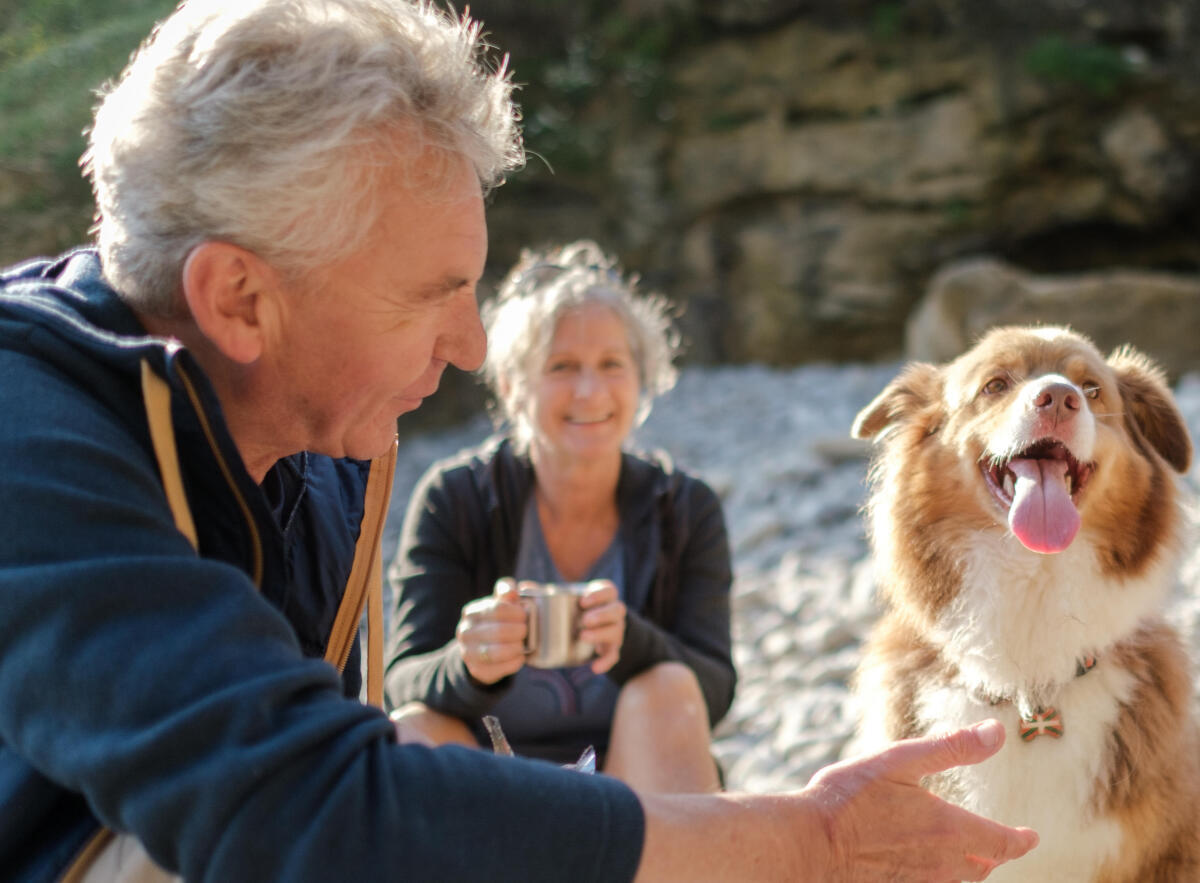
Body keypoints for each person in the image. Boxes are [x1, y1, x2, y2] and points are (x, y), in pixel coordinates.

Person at [0, 1, 1036, 880]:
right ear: (238, 298)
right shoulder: (28, 437)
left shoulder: (315, 444)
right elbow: (313, 809)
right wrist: (799, 839)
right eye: (433, 295)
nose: (471, 346)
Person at [386, 242, 730, 793]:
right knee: (411, 730)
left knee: (667, 688)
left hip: (636, 784)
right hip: (491, 781)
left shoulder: (684, 508)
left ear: (642, 379)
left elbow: (713, 691)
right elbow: (401, 682)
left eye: (611, 365)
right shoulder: (456, 498)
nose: (590, 391)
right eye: (561, 367)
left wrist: (634, 645)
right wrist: (468, 663)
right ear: (511, 386)